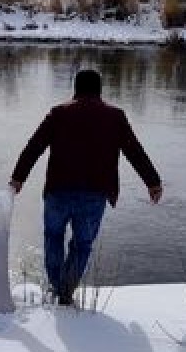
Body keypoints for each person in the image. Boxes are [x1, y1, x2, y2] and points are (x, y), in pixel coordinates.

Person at [9, 69, 163, 306]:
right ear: (99, 89)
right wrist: (152, 181)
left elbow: (34, 146)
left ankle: (57, 287)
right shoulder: (115, 116)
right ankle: (66, 291)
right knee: (82, 245)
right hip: (94, 192)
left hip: (58, 190)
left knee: (53, 237)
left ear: (76, 88)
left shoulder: (59, 113)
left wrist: (18, 178)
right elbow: (134, 151)